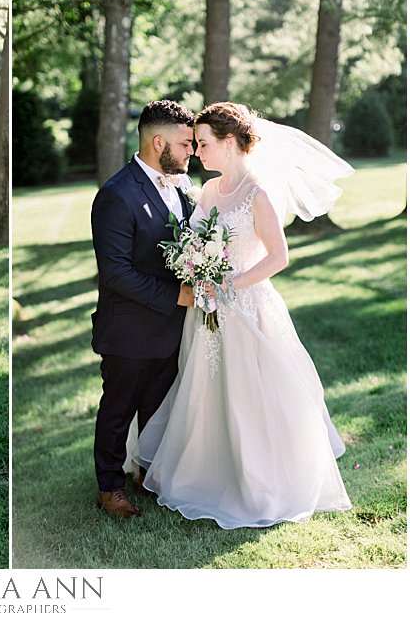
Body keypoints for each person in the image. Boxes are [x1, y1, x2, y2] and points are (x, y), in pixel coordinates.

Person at [134, 102, 352, 529]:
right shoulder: (210, 190)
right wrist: (195, 269)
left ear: (230, 142)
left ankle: (260, 483)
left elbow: (278, 257)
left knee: (250, 392)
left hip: (247, 305)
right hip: (207, 310)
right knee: (206, 391)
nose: (196, 151)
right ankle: (206, 471)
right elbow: (193, 242)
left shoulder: (258, 193)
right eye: (195, 144)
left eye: (203, 143)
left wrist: (229, 285)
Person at [90, 100, 197, 517]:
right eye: (185, 144)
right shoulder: (116, 195)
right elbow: (115, 273)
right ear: (158, 143)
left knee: (158, 407)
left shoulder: (182, 188)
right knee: (118, 410)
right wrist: (177, 296)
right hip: (129, 330)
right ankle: (109, 487)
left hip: (174, 328)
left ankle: (147, 471)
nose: (191, 152)